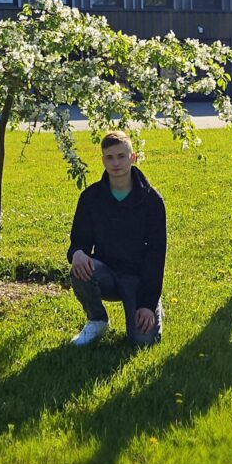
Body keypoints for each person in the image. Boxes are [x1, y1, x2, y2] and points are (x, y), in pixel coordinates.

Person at [67, 131, 166, 346]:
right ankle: (97, 320)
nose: (116, 163)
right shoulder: (91, 198)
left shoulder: (152, 201)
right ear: (103, 160)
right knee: (79, 267)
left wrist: (147, 303)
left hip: (138, 280)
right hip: (107, 274)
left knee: (143, 341)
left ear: (133, 158)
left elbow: (156, 255)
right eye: (110, 157)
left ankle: (155, 306)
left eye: (122, 156)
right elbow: (78, 240)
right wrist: (77, 253)